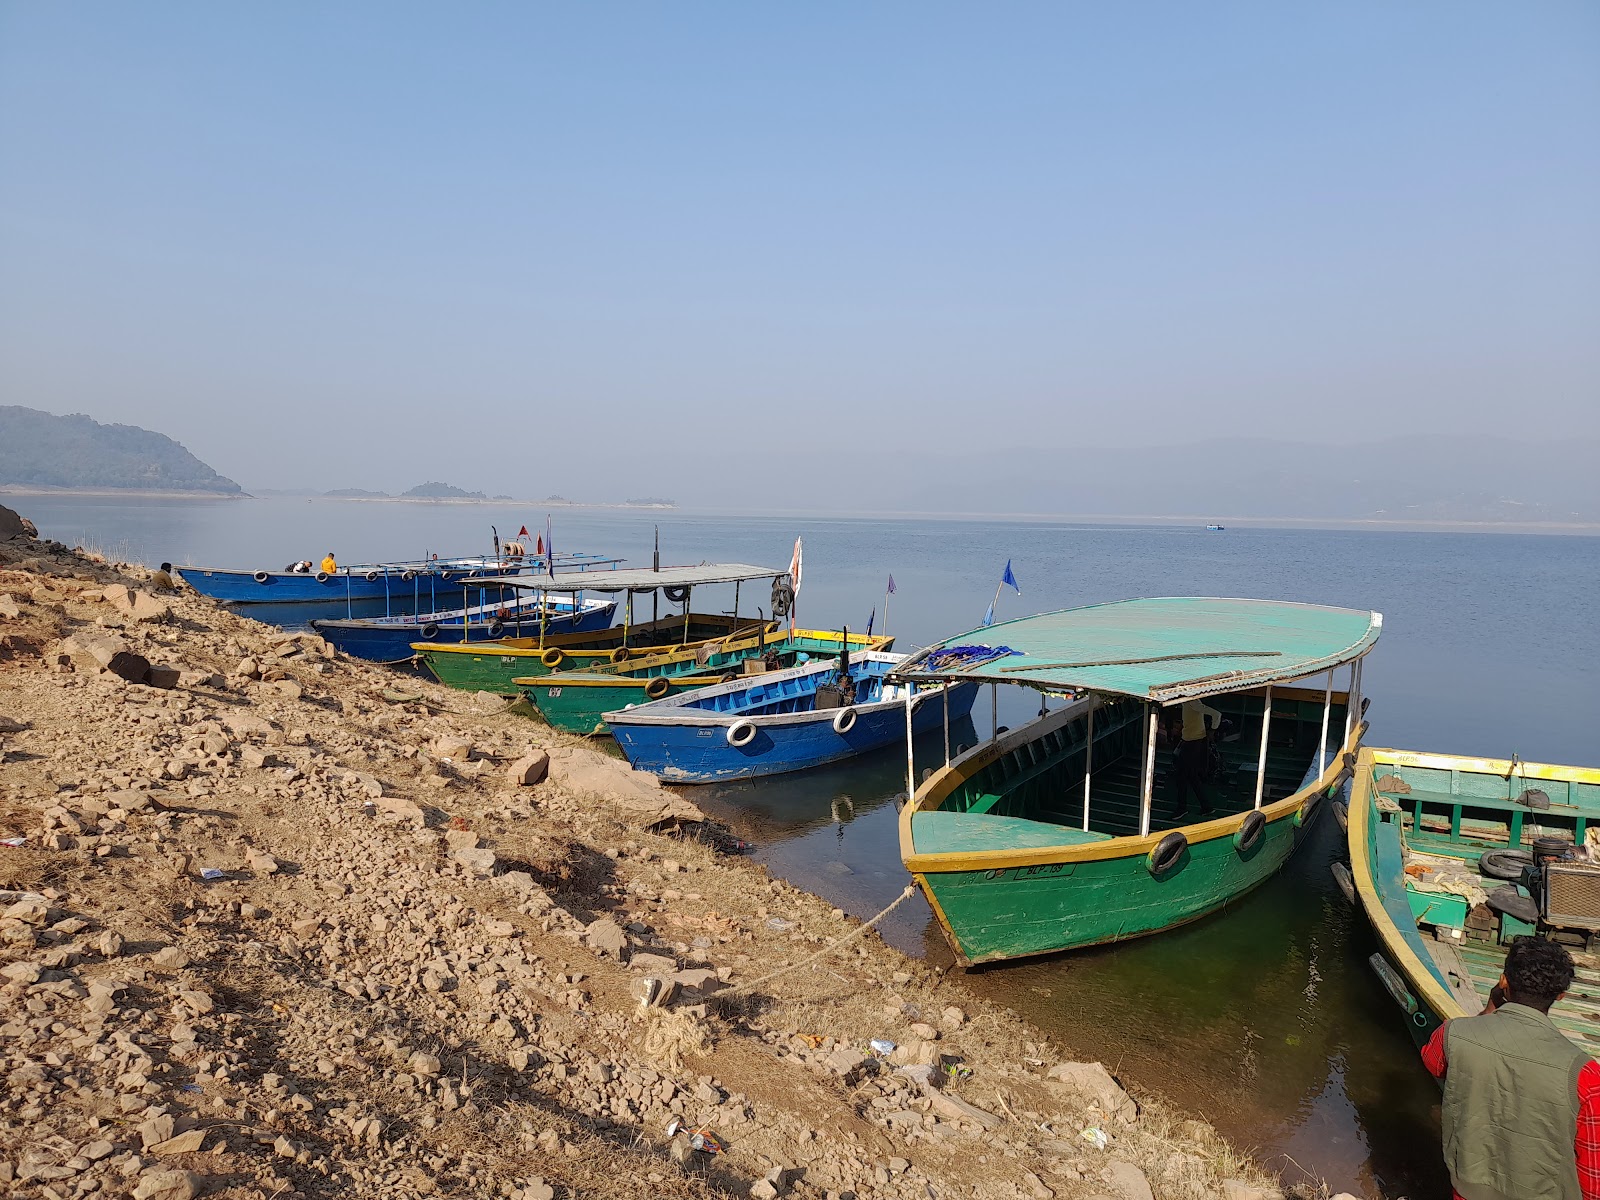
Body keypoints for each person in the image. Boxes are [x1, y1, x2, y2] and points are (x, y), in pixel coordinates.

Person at [1422, 935, 1600, 1200]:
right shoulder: (1584, 1074)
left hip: (1469, 1189)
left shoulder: (1453, 1033)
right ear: (1561, 996)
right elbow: (1591, 1174)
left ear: (1503, 981)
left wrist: (1489, 1010)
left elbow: (1433, 1063)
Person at [1174, 698, 1220, 817]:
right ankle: (1205, 807)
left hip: (1193, 743)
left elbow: (1217, 714)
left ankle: (1182, 808)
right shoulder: (1188, 701)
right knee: (1191, 776)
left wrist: (1213, 730)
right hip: (1190, 741)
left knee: (1182, 775)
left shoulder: (1193, 702)